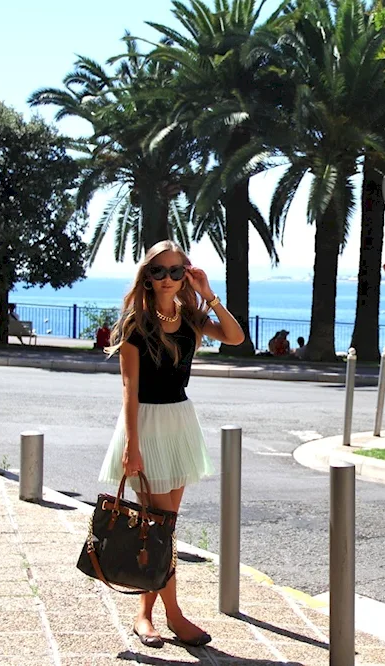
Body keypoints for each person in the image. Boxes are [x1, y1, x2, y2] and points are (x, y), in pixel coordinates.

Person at [98, 240, 244, 648]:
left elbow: (234, 337)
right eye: (159, 271)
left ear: (186, 274)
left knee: (161, 527)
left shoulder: (191, 316)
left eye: (176, 271)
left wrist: (208, 294)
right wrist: (132, 444)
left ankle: (145, 614)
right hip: (145, 423)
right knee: (159, 527)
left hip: (179, 422)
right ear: (147, 275)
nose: (167, 278)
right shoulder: (135, 323)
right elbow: (129, 389)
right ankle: (173, 616)